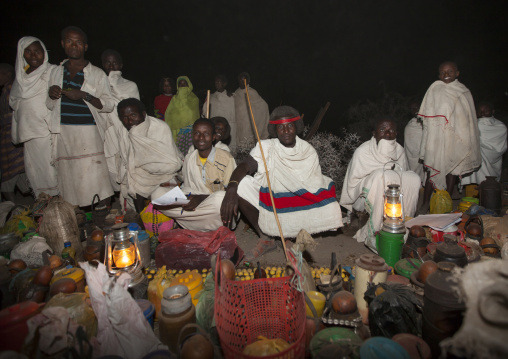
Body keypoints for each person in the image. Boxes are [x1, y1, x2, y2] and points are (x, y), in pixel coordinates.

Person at [221, 106, 343, 260]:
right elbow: (245, 166)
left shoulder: (307, 150)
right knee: (242, 183)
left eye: (289, 126)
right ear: (275, 130)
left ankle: (287, 236)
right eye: (281, 127)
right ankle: (266, 237)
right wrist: (231, 187)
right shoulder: (267, 147)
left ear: (296, 127)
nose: (286, 131)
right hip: (270, 196)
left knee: (331, 207)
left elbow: (312, 183)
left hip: (298, 199)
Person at [47, 26, 114, 207]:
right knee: (70, 180)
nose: (73, 45)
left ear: (85, 46)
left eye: (78, 42)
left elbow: (108, 104)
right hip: (64, 132)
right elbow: (48, 105)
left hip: (89, 132)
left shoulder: (97, 74)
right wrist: (51, 95)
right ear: (63, 44)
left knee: (97, 179)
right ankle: (76, 218)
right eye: (69, 41)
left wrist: (84, 95)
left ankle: (102, 217)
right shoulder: (55, 72)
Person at [340, 118, 420, 251]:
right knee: (381, 175)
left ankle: (400, 226)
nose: (387, 134)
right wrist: (377, 178)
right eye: (383, 130)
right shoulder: (363, 151)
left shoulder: (399, 150)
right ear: (374, 133)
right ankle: (374, 231)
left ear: (396, 133)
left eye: (391, 130)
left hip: (393, 198)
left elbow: (403, 177)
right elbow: (353, 182)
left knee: (413, 178)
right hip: (363, 196)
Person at [417, 61, 480, 214]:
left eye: (450, 71)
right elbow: (428, 115)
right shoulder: (434, 89)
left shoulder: (463, 91)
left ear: (457, 73)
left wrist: (460, 134)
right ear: (438, 75)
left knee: (451, 170)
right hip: (436, 138)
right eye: (443, 72)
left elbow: (467, 118)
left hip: (454, 137)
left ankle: (447, 201)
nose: (446, 75)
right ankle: (425, 203)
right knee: (433, 169)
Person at [153, 118, 236, 231]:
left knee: (220, 198)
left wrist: (201, 198)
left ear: (213, 137)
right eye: (197, 133)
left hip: (212, 206)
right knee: (157, 194)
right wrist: (176, 190)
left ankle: (191, 222)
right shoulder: (189, 158)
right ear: (192, 136)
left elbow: (231, 194)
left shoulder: (226, 159)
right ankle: (200, 223)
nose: (201, 137)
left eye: (206, 133)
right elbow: (187, 187)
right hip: (193, 203)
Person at [10, 37, 58, 198]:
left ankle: (62, 208)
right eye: (28, 52)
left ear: (44, 53)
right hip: (28, 132)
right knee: (35, 171)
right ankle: (45, 207)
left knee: (52, 171)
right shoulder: (21, 78)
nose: (33, 56)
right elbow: (14, 102)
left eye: (37, 51)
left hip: (47, 130)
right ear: (22, 54)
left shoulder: (52, 71)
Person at [116, 98, 182, 213]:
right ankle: (141, 220)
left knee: (169, 198)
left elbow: (172, 163)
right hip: (137, 175)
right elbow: (127, 159)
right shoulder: (123, 131)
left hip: (164, 174)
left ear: (143, 114)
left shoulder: (160, 127)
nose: (129, 121)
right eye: (124, 117)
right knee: (135, 186)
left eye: (133, 115)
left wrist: (145, 165)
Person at [101, 49, 140, 192]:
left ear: (121, 65)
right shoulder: (99, 84)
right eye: (107, 63)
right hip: (108, 132)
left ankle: (129, 201)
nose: (111, 66)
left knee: (128, 164)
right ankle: (118, 198)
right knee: (111, 163)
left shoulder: (130, 85)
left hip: (126, 130)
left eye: (115, 63)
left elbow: (134, 111)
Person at [1, 63, 29, 201]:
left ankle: (12, 210)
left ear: (7, 74)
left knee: (11, 175)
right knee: (17, 175)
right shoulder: (8, 89)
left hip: (12, 137)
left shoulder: (11, 89)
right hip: (11, 138)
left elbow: (17, 114)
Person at [461, 102, 507, 185]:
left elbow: (500, 147)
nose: (482, 113)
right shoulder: (474, 124)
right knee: (474, 153)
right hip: (478, 156)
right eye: (480, 111)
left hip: (493, 159)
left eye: (485, 110)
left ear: (492, 111)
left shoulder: (500, 126)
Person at [164, 76, 199, 154]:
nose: (182, 86)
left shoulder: (194, 99)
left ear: (189, 85)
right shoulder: (174, 99)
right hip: (177, 133)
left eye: (184, 84)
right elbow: (169, 116)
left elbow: (193, 115)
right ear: (177, 86)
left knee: (191, 154)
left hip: (191, 132)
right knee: (179, 155)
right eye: (180, 84)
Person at [233, 72, 269, 146]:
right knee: (239, 144)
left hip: (248, 124)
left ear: (248, 81)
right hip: (239, 123)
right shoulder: (236, 93)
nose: (242, 82)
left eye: (244, 80)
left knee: (248, 143)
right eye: (241, 80)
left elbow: (264, 106)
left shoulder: (252, 92)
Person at [202, 74, 235, 145]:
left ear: (224, 83)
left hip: (228, 127)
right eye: (215, 82)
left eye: (219, 82)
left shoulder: (231, 97)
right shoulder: (211, 97)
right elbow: (205, 112)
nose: (217, 84)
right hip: (215, 127)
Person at [403, 100, 425, 185]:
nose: (415, 110)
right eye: (412, 108)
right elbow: (409, 146)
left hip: (426, 155)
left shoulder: (428, 123)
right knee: (413, 174)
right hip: (413, 157)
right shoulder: (410, 126)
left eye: (417, 107)